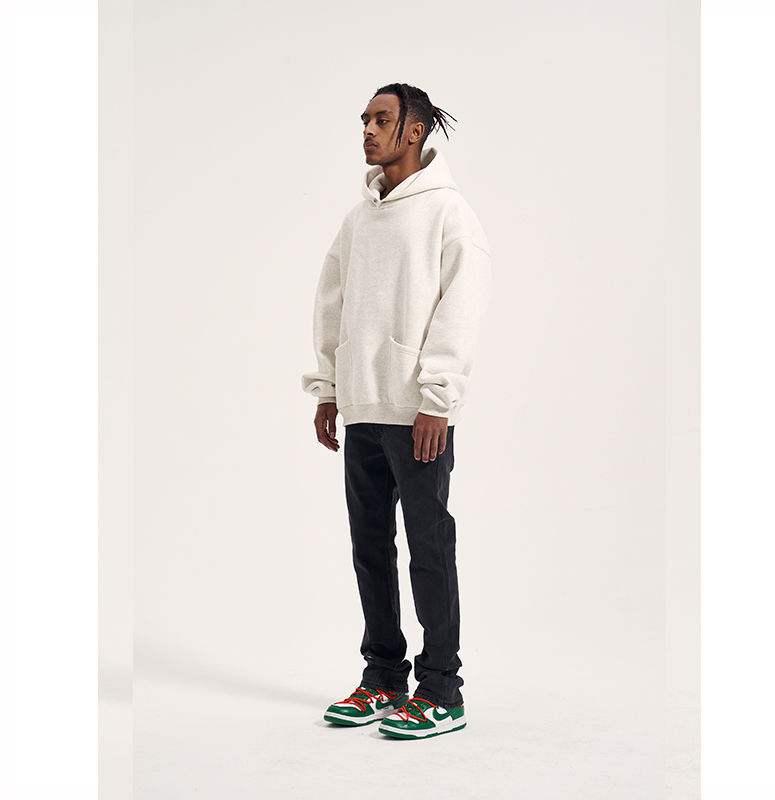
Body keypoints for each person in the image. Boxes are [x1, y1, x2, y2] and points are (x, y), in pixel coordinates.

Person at [301, 82, 492, 739]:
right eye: (364, 119)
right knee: (370, 549)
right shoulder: (358, 221)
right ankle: (383, 677)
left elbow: (461, 305)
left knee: (429, 548)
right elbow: (331, 301)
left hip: (418, 415)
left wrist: (438, 398)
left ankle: (442, 690)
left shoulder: (449, 213)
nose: (367, 129)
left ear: (415, 130)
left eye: (381, 119)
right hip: (362, 408)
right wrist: (330, 389)